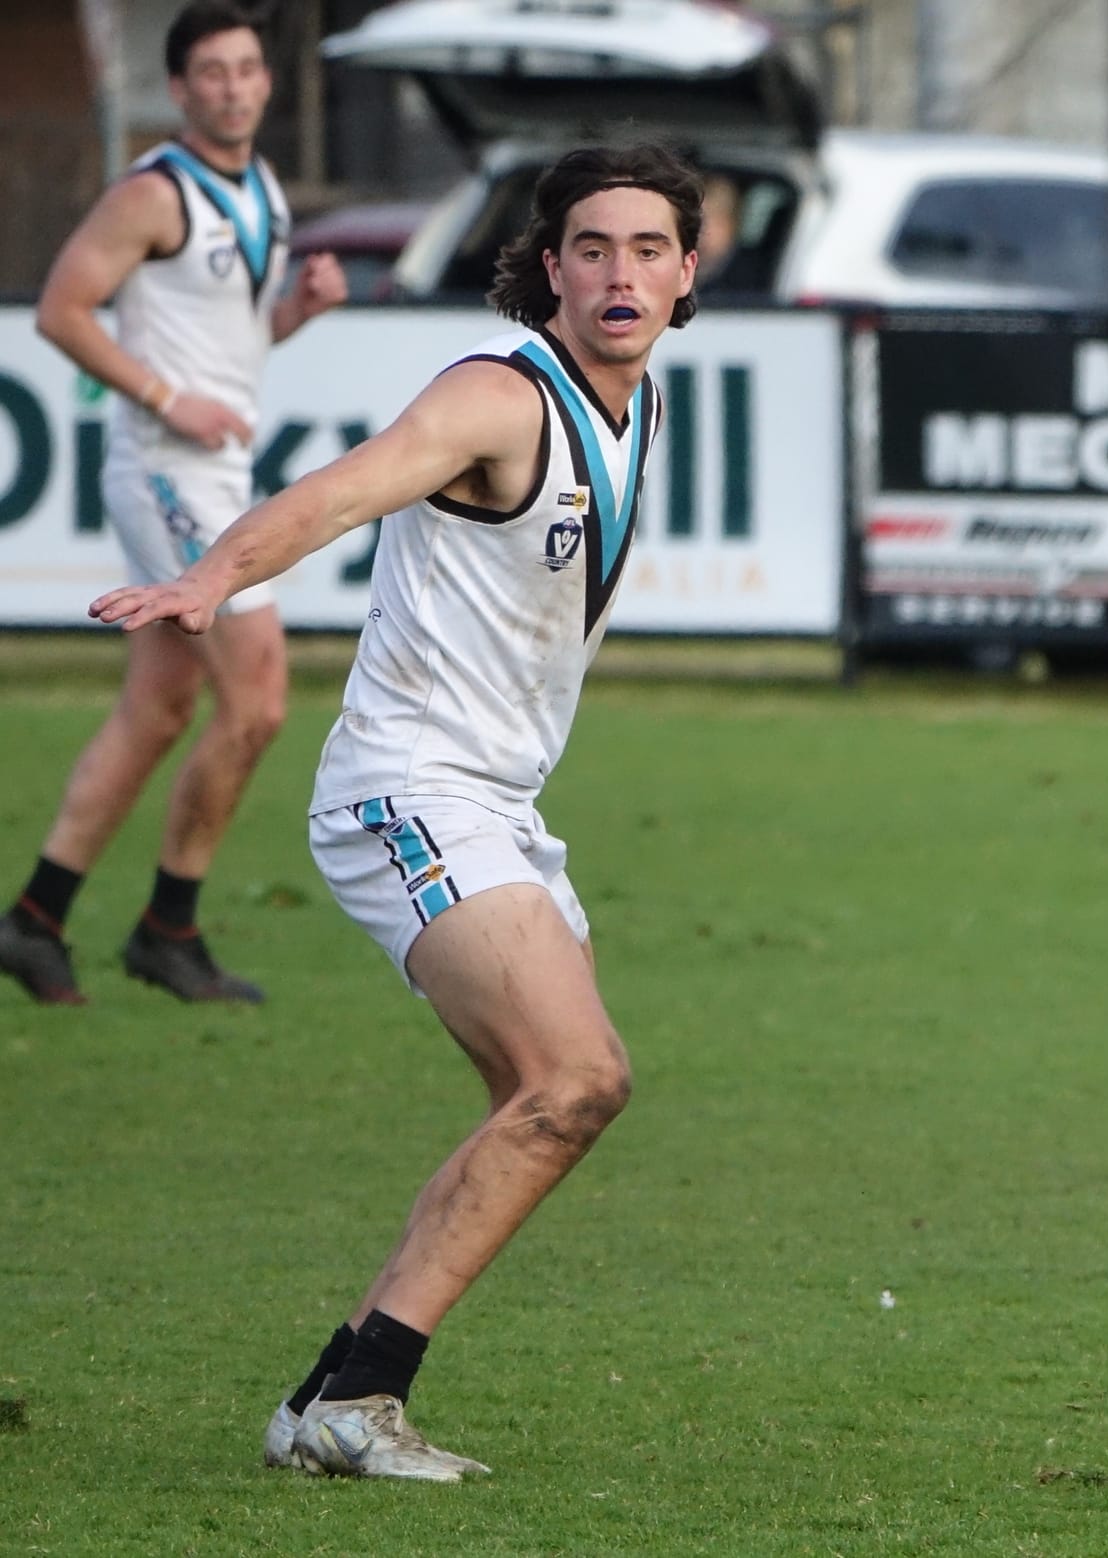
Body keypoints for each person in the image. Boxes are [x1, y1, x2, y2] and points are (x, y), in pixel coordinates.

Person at [89, 142, 704, 1480]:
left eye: (648, 249)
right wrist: (213, 576)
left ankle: (329, 1392)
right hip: (408, 789)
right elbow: (343, 489)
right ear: (551, 269)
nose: (620, 272)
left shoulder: (637, 404)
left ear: (685, 275)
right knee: (578, 1077)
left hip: (497, 799)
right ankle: (361, 1402)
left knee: (533, 1100)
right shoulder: (497, 395)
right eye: (592, 247)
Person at [0, 2, 346, 1008]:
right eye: (213, 73)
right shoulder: (154, 193)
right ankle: (168, 928)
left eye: (247, 69)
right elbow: (63, 309)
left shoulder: (262, 188)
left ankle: (34, 921)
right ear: (182, 88)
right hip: (165, 470)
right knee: (259, 698)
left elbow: (227, 346)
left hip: (211, 470)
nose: (233, 88)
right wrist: (164, 398)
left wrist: (298, 312)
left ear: (265, 82)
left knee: (158, 710)